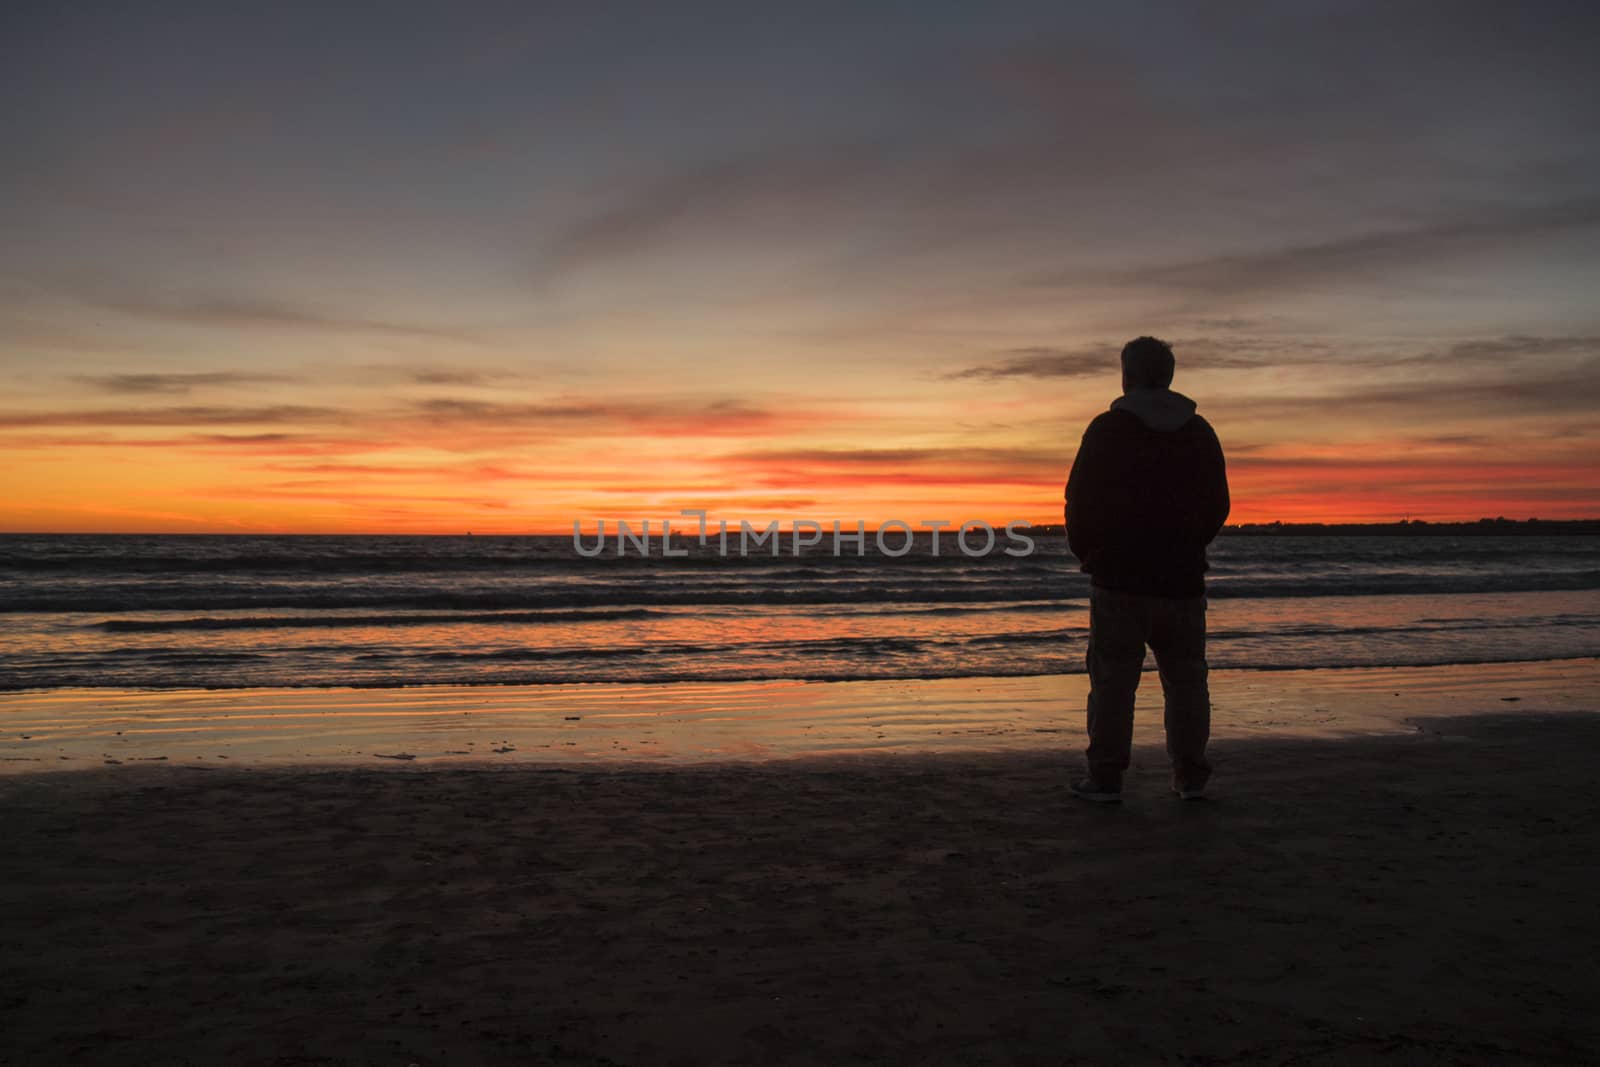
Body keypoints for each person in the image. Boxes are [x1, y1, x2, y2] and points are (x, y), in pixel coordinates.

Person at [1064, 336, 1230, 803]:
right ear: (1169, 375)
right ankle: (1190, 777)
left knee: (1114, 683)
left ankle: (1106, 778)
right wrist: (1189, 543)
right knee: (1187, 682)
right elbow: (1218, 502)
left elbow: (1078, 500)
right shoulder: (1198, 430)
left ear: (1127, 375)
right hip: (1181, 579)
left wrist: (1089, 554)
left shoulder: (1107, 429)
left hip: (1119, 577)